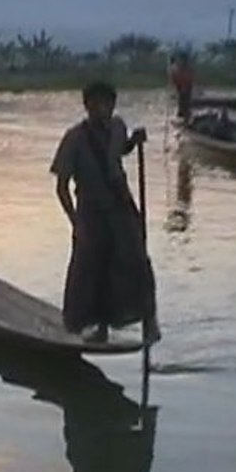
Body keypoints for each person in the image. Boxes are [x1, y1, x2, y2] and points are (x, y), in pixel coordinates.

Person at [49, 81, 161, 344]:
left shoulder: (118, 127)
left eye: (109, 104)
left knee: (137, 263)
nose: (104, 109)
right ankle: (98, 327)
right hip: (91, 213)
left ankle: (149, 320)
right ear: (87, 106)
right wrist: (75, 221)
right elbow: (62, 186)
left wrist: (134, 141)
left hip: (121, 206)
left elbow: (119, 151)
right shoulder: (74, 138)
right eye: (98, 104)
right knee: (90, 270)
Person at [169, 52, 194, 120]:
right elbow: (175, 77)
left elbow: (188, 77)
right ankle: (183, 113)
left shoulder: (185, 67)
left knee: (185, 99)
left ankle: (185, 113)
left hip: (185, 85)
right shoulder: (177, 67)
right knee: (183, 99)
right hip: (182, 85)